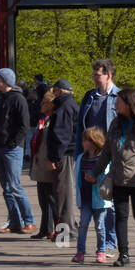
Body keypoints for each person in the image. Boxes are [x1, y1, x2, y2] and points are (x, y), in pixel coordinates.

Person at [94, 86, 135, 266]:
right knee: (121, 216)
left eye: (119, 102)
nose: (116, 104)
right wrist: (95, 172)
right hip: (119, 177)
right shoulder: (116, 123)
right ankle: (124, 254)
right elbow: (107, 151)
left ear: (129, 103)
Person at [77, 59, 121, 252]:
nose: (94, 78)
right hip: (91, 155)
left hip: (111, 154)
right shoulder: (89, 97)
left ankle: (110, 242)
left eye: (98, 74)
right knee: (92, 196)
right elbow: (80, 125)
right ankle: (100, 244)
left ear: (109, 75)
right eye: (94, 74)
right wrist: (79, 152)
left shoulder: (119, 97)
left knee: (109, 199)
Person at [0, 68, 36, 234]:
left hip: (11, 149)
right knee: (6, 187)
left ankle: (29, 220)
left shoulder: (18, 99)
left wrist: (13, 143)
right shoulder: (0, 101)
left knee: (14, 186)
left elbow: (24, 124)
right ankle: (15, 221)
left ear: (5, 81)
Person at [72, 127, 113, 264]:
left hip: (99, 198)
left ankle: (101, 251)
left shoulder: (103, 158)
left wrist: (96, 180)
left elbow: (106, 175)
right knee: (83, 224)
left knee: (100, 226)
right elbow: (77, 179)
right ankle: (80, 252)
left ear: (94, 141)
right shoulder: (80, 158)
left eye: (86, 140)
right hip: (85, 197)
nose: (83, 143)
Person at [47, 78, 79, 244]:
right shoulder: (69, 105)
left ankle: (66, 234)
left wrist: (54, 157)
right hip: (68, 154)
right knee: (64, 193)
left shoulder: (63, 108)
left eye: (54, 90)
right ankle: (68, 230)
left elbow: (61, 135)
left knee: (63, 194)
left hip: (64, 155)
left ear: (59, 90)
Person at [29, 87, 57, 240]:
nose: (41, 104)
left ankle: (55, 231)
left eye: (44, 102)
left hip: (48, 163)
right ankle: (45, 228)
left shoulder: (52, 120)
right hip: (40, 162)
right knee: (42, 198)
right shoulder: (43, 120)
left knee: (52, 199)